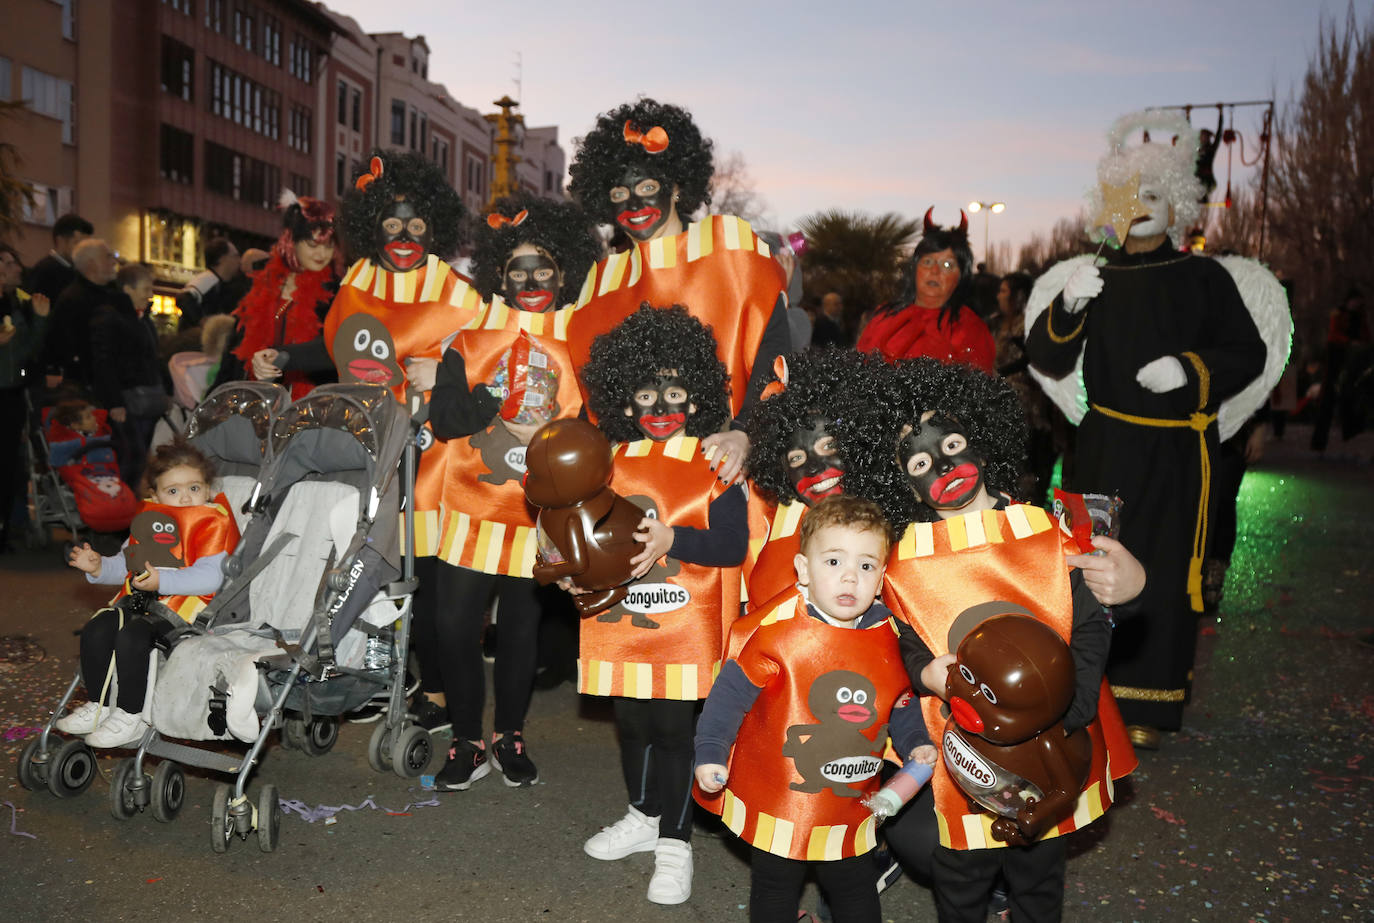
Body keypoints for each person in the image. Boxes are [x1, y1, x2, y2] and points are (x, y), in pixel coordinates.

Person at [836, 357, 1142, 923]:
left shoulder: (1039, 528)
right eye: (923, 461)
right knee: (960, 878)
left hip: (1050, 747)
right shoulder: (904, 558)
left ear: (982, 438)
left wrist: (1073, 712)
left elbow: (1091, 622)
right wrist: (924, 670)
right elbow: (900, 637)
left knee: (1039, 877)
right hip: (962, 755)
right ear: (901, 481)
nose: (945, 466)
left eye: (953, 443)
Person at [1024, 110, 1278, 747]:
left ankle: (1151, 708)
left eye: (1154, 195)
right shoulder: (1094, 274)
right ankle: (1085, 692)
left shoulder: (1204, 277)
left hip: (1174, 452)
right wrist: (1069, 305)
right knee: (1090, 563)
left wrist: (1190, 372)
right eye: (1126, 196)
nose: (1139, 207)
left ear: (1181, 205)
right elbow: (1045, 356)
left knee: (1160, 568)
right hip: (1105, 446)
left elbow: (1248, 353)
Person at [422, 193, 602, 789]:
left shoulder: (583, 341)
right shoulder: (469, 341)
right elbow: (443, 418)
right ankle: (468, 740)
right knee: (453, 628)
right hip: (470, 512)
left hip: (538, 515)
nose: (529, 280)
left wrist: (556, 434)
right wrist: (488, 401)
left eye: (542, 266)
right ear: (498, 276)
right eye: (515, 270)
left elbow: (601, 428)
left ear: (565, 270)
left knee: (521, 632)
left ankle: (510, 734)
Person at [576, 303, 748, 906]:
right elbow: (583, 535)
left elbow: (733, 545)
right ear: (625, 404)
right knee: (631, 726)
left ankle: (676, 843)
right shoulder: (607, 462)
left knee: (676, 733)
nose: (661, 409)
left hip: (686, 628)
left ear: (696, 399)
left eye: (675, 395)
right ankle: (643, 815)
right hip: (620, 623)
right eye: (646, 397)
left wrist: (677, 540)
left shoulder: (715, 462)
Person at [694, 495, 933, 923]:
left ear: (881, 579)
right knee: (775, 884)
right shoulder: (778, 634)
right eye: (834, 562)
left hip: (850, 797)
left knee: (854, 885)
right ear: (804, 570)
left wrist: (915, 742)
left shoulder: (889, 635)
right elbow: (728, 696)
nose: (850, 579)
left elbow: (900, 699)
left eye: (865, 566)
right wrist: (711, 751)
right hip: (781, 797)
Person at [252, 150, 478, 558]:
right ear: (372, 228)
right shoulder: (358, 278)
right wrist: (282, 357)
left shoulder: (459, 290)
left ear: (434, 230)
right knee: (357, 553)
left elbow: (488, 364)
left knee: (419, 556)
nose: (405, 238)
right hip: (359, 438)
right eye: (392, 225)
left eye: (416, 225)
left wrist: (445, 371)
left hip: (430, 449)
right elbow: (338, 345)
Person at [566, 97, 791, 487]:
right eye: (620, 193)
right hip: (637, 482)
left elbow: (776, 355)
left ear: (676, 187)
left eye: (648, 186)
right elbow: (592, 401)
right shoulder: (601, 281)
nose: (634, 203)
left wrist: (745, 432)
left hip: (728, 475)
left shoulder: (731, 245)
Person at [54, 440, 240, 748]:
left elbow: (212, 577)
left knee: (132, 635)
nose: (184, 497)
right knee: (98, 628)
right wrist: (99, 566)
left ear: (209, 490)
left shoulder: (214, 523)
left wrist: (162, 583)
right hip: (141, 600)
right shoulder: (151, 523)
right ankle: (99, 704)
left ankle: (131, 714)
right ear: (154, 496)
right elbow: (126, 564)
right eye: (173, 491)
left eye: (194, 488)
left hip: (188, 609)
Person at [742, 348, 885, 605]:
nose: (815, 468)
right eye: (797, 459)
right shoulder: (768, 524)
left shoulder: (895, 519)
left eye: (829, 446)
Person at [221, 192, 343, 398]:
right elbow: (236, 350)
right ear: (291, 242)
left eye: (328, 246)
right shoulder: (261, 282)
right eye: (313, 245)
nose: (321, 254)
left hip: (310, 404)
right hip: (257, 398)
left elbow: (332, 350)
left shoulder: (336, 292)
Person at [855, 209, 995, 372]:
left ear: (961, 276)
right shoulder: (883, 316)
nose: (934, 271)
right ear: (915, 268)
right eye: (927, 262)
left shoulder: (972, 328)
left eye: (947, 265)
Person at [92, 263, 166, 488]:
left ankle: (128, 507)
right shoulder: (110, 317)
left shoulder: (140, 319)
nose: (150, 294)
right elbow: (103, 362)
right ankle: (121, 509)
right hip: (126, 399)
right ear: (128, 289)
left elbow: (153, 357)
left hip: (144, 398)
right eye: (145, 289)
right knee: (130, 456)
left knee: (139, 457)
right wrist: (115, 402)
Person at [0, 244, 50, 550]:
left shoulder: (15, 303)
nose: (15, 268)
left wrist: (41, 320)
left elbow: (27, 352)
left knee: (8, 465)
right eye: (7, 262)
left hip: (11, 396)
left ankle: (4, 530)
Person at [994, 271, 1056, 499]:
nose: (998, 296)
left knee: (1029, 458)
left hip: (1028, 406)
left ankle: (1032, 502)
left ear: (1018, 296)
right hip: (1004, 402)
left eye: (1003, 291)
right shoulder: (1001, 322)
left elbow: (1032, 359)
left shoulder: (1029, 323)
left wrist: (1004, 371)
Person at [44, 238, 119, 388]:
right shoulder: (73, 299)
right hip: (87, 384)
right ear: (91, 263)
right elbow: (64, 345)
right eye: (108, 256)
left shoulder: (112, 295)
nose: (114, 261)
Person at [1310, 287, 1370, 452]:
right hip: (1338, 358)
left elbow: (1365, 335)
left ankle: (1350, 432)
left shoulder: (1360, 316)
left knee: (1351, 396)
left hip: (1353, 360)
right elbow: (1333, 335)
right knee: (1329, 398)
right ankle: (1320, 441)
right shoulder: (1338, 314)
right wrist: (1349, 343)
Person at [176, 236, 245, 330]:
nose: (239, 261)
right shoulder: (208, 279)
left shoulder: (224, 283)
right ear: (222, 259)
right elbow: (183, 297)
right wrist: (203, 322)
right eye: (235, 256)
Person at [25, 212, 93, 304]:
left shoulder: (77, 270)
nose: (82, 250)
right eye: (77, 243)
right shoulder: (45, 271)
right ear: (60, 241)